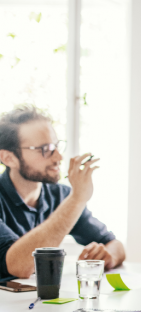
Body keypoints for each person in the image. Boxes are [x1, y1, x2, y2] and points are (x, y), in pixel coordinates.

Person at [0, 106, 126, 282]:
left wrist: (108, 256)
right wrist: (77, 199)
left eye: (57, 146)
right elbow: (19, 265)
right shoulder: (71, 200)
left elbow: (115, 244)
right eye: (45, 149)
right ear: (8, 158)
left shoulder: (61, 195)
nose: (58, 157)